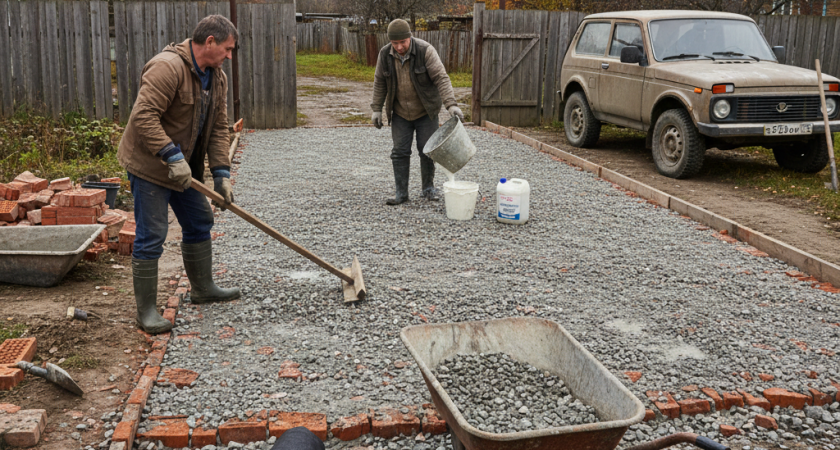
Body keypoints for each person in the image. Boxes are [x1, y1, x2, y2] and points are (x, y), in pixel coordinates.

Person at [117, 15, 241, 334]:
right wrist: (171, 155)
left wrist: (221, 174)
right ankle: (146, 312)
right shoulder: (167, 67)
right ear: (210, 42)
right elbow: (144, 116)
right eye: (227, 49)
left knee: (200, 221)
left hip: (184, 170)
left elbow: (218, 128)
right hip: (150, 166)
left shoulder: (217, 78)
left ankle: (203, 288)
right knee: (152, 235)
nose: (229, 56)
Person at [370, 19, 463, 205]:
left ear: (410, 37)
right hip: (400, 113)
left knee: (427, 150)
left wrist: (451, 105)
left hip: (426, 111)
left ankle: (428, 188)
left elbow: (441, 78)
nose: (399, 47)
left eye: (402, 42)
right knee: (399, 151)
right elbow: (379, 81)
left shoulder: (425, 50)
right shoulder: (384, 55)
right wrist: (376, 109)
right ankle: (401, 193)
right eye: (395, 43)